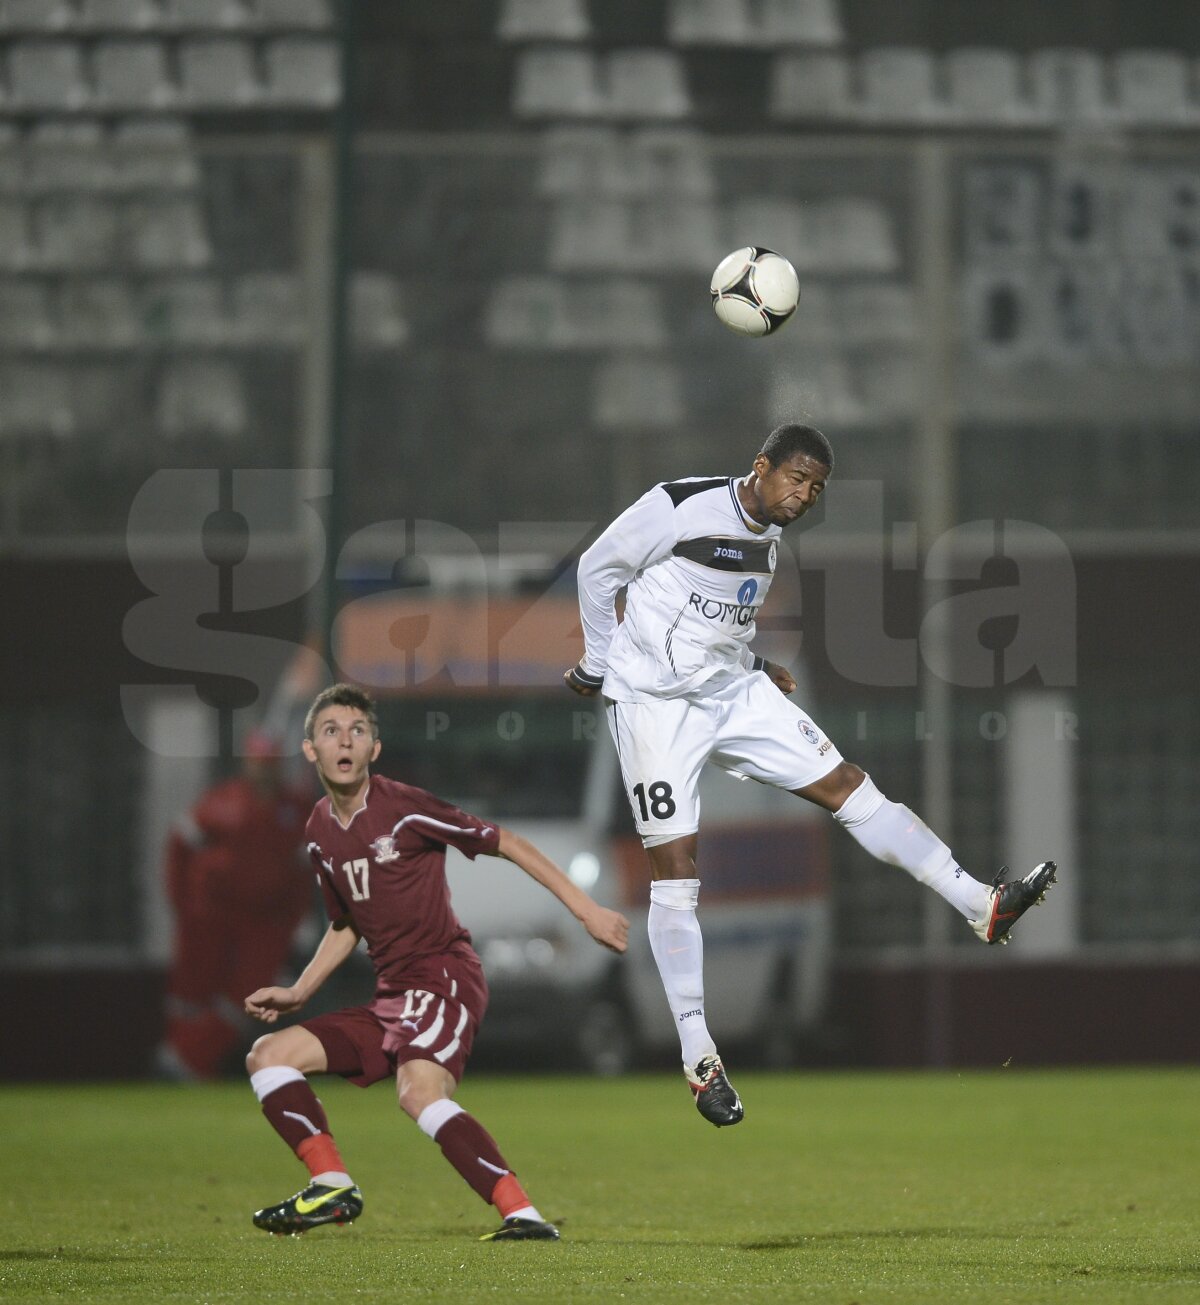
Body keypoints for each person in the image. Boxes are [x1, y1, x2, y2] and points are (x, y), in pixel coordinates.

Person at [563, 422, 1057, 1128]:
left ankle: (981, 903)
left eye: (817, 487)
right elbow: (596, 569)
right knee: (676, 873)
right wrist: (597, 662)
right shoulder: (678, 504)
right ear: (760, 465)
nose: (804, 494)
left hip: (731, 694)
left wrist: (758, 666)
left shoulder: (769, 542)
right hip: (652, 708)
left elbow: (712, 625)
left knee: (848, 784)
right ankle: (700, 1057)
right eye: (796, 478)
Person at [243, 682, 629, 1242]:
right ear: (311, 751)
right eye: (331, 731)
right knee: (269, 1056)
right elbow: (345, 921)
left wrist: (586, 911)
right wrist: (299, 992)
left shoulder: (402, 809)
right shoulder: (319, 829)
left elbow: (506, 841)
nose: (345, 741)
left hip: (444, 977)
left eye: (358, 731)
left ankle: (522, 1214)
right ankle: (330, 1183)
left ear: (374, 748)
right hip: (394, 994)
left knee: (418, 1092)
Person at [156, 729, 312, 1081]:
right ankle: (184, 1058)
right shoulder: (220, 801)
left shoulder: (294, 810)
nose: (264, 771)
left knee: (251, 995)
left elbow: (303, 872)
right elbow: (180, 846)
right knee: (192, 990)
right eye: (259, 763)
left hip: (264, 920)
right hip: (211, 915)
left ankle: (187, 1059)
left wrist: (292, 920)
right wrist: (184, 905)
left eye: (270, 763)